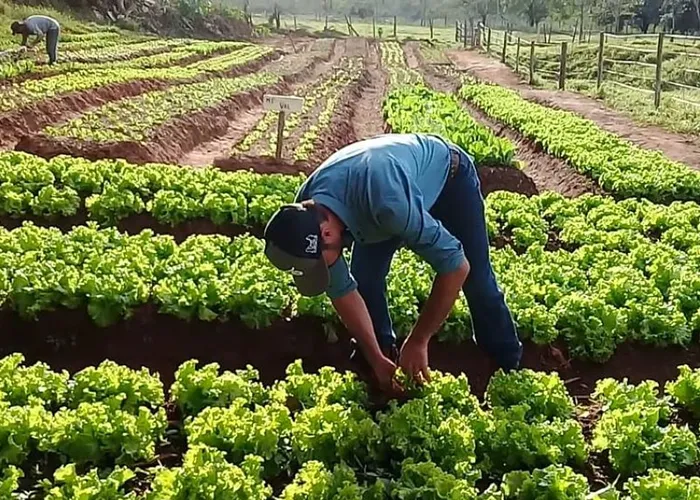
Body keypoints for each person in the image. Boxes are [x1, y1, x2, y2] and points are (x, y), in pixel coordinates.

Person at [263, 133, 522, 392]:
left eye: (318, 263)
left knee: (477, 280)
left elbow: (457, 267)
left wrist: (419, 339)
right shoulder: (302, 214)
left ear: (327, 234)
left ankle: (507, 369)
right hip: (374, 197)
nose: (322, 268)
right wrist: (375, 357)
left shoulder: (389, 206)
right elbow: (342, 291)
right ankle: (384, 368)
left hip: (450, 181)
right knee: (365, 280)